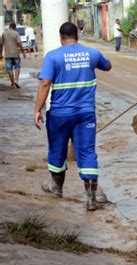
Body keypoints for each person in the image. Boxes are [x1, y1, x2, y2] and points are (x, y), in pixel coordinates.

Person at [34, 22, 112, 211]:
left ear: (61, 37)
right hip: (85, 114)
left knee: (57, 150)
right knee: (86, 151)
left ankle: (56, 187)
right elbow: (108, 66)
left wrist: (37, 109)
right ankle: (91, 198)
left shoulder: (52, 57)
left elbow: (45, 84)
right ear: (77, 35)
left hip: (59, 114)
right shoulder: (92, 53)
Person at [0, 22, 26, 88]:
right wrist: (23, 52)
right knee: (17, 67)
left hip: (7, 55)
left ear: (9, 27)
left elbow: (1, 45)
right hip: (16, 54)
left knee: (10, 69)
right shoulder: (16, 33)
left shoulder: (4, 34)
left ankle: (12, 82)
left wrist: (0, 53)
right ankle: (16, 80)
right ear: (14, 27)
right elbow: (19, 43)